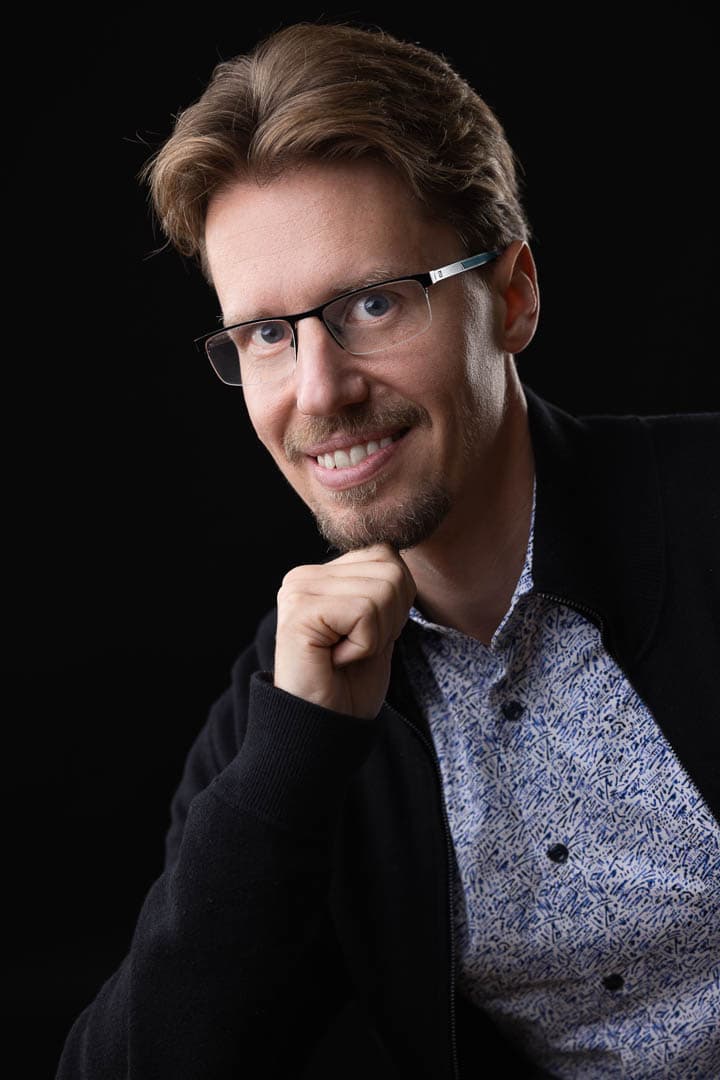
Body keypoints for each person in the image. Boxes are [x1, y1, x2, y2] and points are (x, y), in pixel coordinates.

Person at [56, 20, 719, 1080]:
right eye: (267, 335)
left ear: (512, 295)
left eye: (371, 304)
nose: (319, 391)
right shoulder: (288, 713)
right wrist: (297, 755)